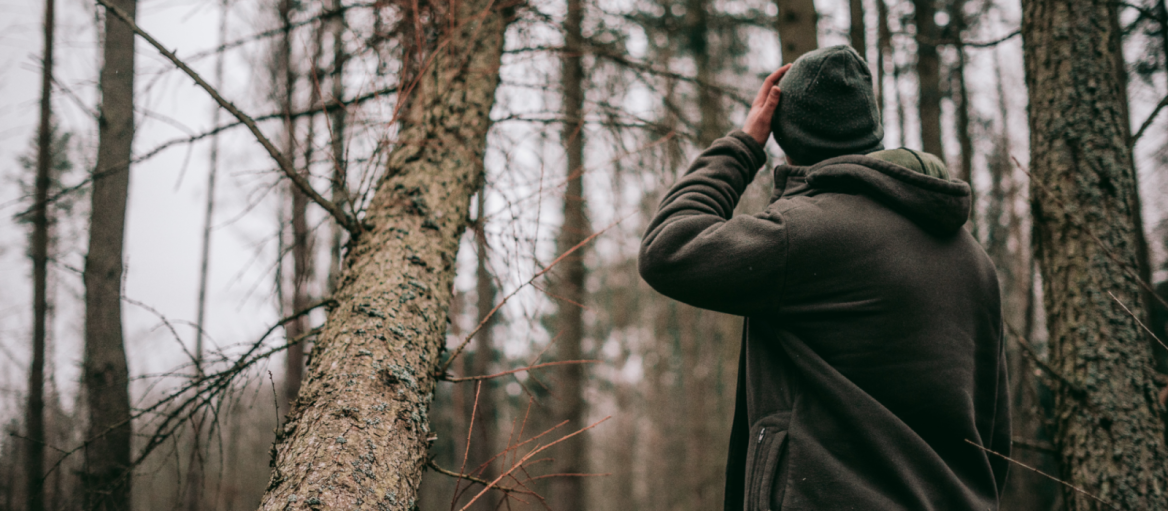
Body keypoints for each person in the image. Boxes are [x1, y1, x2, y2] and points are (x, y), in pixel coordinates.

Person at [638, 45, 1010, 510]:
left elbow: (666, 249)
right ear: (872, 131)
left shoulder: (805, 233)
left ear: (786, 134)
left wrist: (744, 144)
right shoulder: (974, 260)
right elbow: (993, 431)